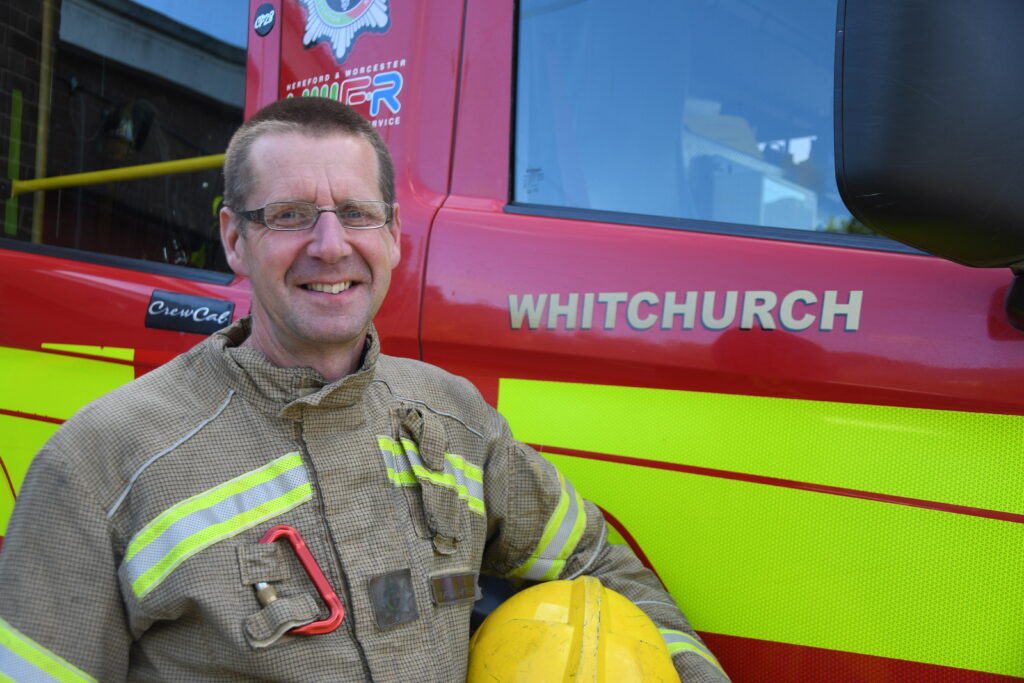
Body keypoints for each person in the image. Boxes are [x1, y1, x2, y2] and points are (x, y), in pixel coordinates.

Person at [0, 97, 729, 682]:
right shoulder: (98, 466)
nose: (329, 244)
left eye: (355, 213)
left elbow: (594, 561)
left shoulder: (458, 418)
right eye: (288, 215)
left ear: (392, 235)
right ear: (232, 237)